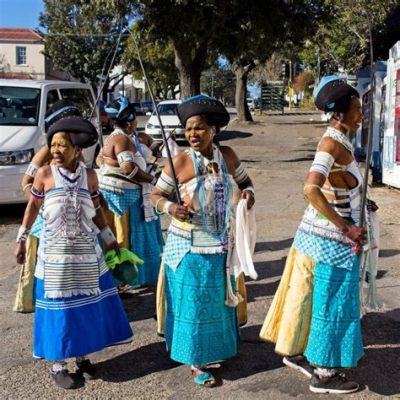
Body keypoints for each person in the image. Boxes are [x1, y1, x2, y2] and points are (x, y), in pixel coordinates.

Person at [260, 76, 366, 394]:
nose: (361, 114)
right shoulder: (331, 142)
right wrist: (345, 226)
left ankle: (308, 354)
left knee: (313, 300)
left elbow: (336, 187)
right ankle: (324, 373)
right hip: (331, 243)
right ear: (340, 114)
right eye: (357, 109)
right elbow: (310, 188)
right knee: (331, 305)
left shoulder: (342, 140)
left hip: (321, 239)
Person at [15, 115, 133, 390]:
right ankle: (58, 364)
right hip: (55, 257)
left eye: (62, 146)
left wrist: (110, 239)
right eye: (53, 145)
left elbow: (97, 212)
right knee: (60, 311)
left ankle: (81, 357)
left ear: (77, 150)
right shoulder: (44, 175)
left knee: (85, 306)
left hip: (85, 255)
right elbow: (32, 208)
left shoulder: (90, 177)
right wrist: (21, 239)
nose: (56, 150)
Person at [151, 95, 255, 387]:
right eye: (187, 130)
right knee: (194, 305)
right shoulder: (179, 162)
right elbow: (156, 196)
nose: (192, 135)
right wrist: (172, 208)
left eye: (198, 128)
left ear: (213, 130)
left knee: (218, 303)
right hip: (187, 247)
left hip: (221, 244)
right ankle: (196, 362)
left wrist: (248, 196)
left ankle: (218, 350)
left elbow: (246, 184)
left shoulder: (229, 156)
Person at [14, 100, 83, 313]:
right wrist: (41, 203)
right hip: (47, 220)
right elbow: (26, 182)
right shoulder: (47, 151)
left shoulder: (77, 147)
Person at [97, 97, 163, 287]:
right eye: (135, 120)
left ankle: (125, 279)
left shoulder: (122, 137)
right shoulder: (121, 140)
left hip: (120, 195)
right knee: (124, 237)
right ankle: (124, 278)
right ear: (129, 121)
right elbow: (128, 168)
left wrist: (157, 149)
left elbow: (101, 160)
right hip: (124, 200)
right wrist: (152, 179)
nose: (137, 123)